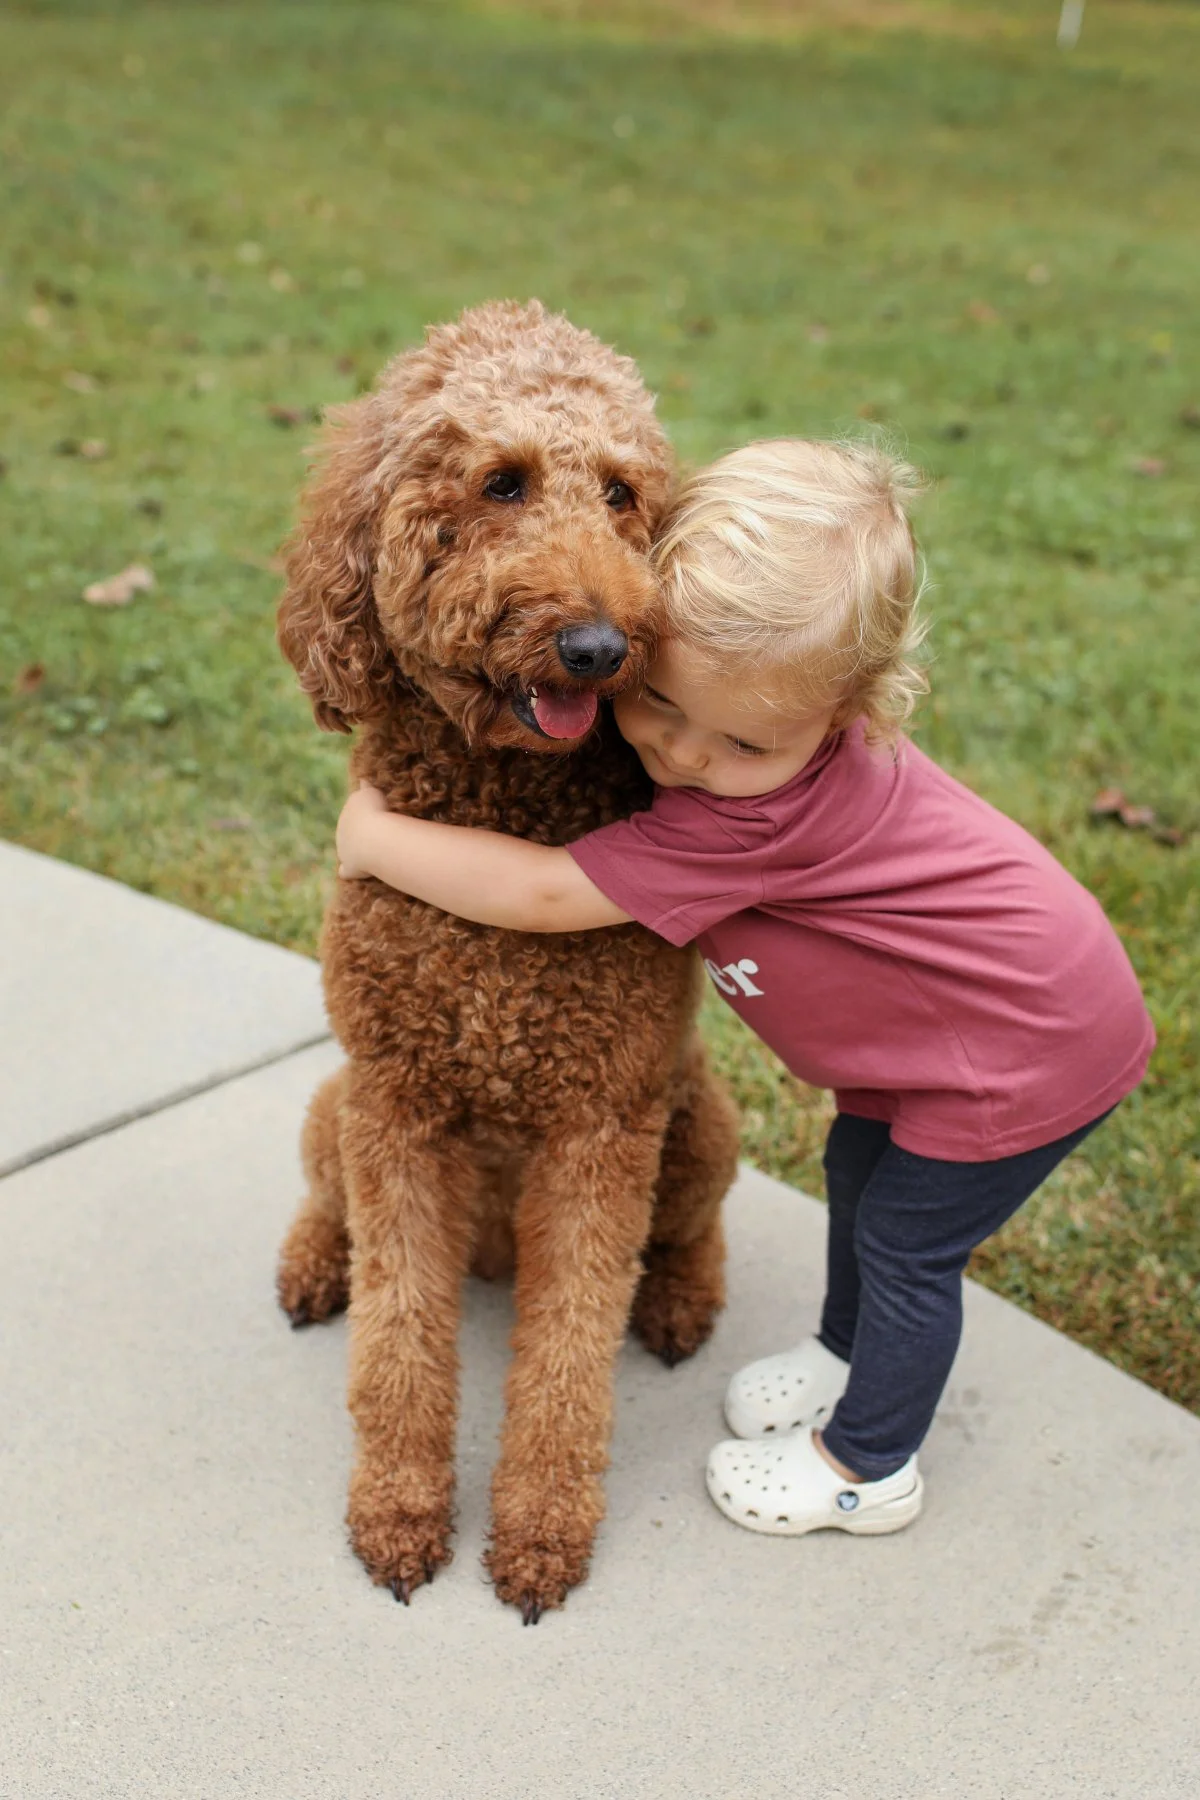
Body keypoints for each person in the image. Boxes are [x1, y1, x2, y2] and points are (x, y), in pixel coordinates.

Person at [334, 438, 1154, 1540]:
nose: (683, 758)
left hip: (1017, 1057)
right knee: (857, 1178)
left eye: (743, 739)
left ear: (851, 707)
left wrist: (376, 839)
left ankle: (865, 1465)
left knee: (911, 1248)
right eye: (660, 701)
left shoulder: (750, 821)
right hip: (949, 1039)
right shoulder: (771, 747)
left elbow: (540, 895)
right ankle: (843, 1353)